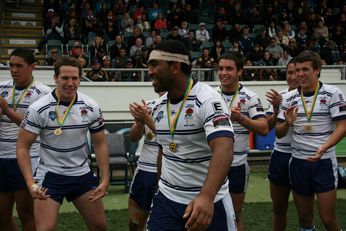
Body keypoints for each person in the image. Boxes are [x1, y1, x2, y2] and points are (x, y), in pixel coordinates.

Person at [146, 40, 236, 231]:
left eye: (154, 64)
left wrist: (206, 197)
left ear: (175, 67)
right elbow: (165, 149)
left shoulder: (208, 100)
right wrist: (159, 186)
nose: (149, 71)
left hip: (208, 201)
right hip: (166, 201)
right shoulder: (158, 106)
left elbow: (224, 147)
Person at [16, 56, 110, 231]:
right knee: (45, 229)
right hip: (51, 175)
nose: (70, 83)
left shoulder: (90, 106)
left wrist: (105, 179)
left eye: (74, 78)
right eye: (65, 78)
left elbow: (100, 144)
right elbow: (22, 147)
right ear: (55, 79)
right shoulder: (39, 108)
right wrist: (30, 183)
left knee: (99, 227)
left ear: (80, 79)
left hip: (81, 173)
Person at [276, 50, 346, 231]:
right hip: (298, 162)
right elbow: (279, 133)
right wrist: (287, 124)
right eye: (297, 70)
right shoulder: (288, 98)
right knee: (305, 218)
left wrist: (324, 147)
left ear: (317, 70)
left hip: (323, 162)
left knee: (328, 218)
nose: (300, 74)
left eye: (305, 69)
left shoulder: (332, 93)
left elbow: (343, 127)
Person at [215, 51, 269, 231]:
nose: (224, 73)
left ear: (240, 71)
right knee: (209, 210)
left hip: (237, 164)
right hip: (212, 164)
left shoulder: (250, 97)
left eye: (229, 69)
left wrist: (241, 119)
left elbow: (263, 128)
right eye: (221, 68)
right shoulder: (210, 95)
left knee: (235, 214)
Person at [0, 48, 51, 231]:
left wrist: (7, 112)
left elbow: (39, 128)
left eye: (19, 66)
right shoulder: (2, 88)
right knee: (2, 215)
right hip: (1, 158)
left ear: (33, 67)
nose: (14, 70)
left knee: (26, 213)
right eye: (11, 65)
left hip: (27, 159)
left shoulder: (43, 93)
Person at [265, 60, 300, 231]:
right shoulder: (279, 96)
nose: (293, 77)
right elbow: (267, 127)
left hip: (303, 156)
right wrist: (277, 107)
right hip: (281, 155)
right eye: (289, 73)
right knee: (279, 208)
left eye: (296, 72)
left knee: (305, 211)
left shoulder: (314, 96)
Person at [127, 92, 164, 231]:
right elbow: (133, 137)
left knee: (163, 222)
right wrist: (139, 123)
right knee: (135, 223)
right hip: (145, 171)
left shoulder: (183, 108)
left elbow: (170, 137)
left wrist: (147, 119)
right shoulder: (148, 106)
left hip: (170, 173)